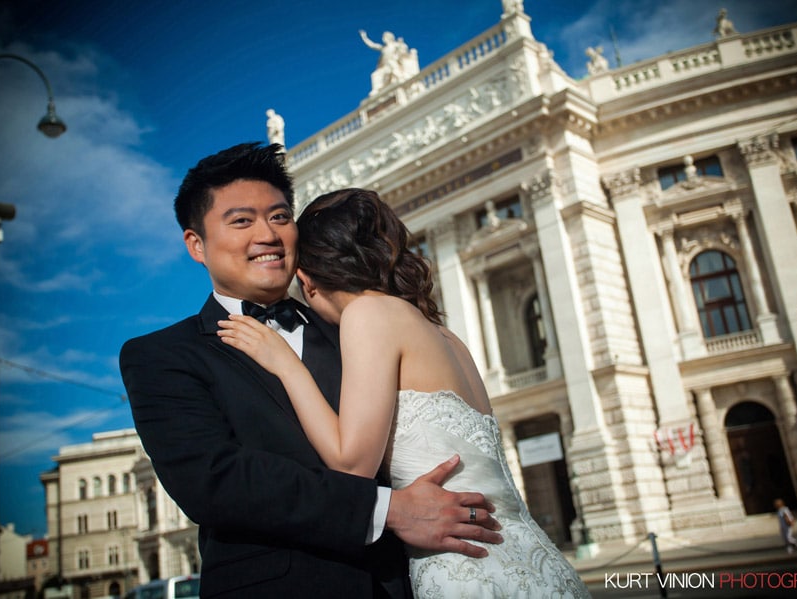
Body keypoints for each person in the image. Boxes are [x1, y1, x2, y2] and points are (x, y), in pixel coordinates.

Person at [120, 143, 502, 598]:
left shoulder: (361, 327)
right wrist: (388, 511)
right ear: (196, 245)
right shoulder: (161, 356)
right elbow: (216, 481)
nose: (267, 234)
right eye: (242, 221)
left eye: (280, 217)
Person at [218, 188, 592, 597]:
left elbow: (352, 465)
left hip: (463, 565)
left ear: (306, 280)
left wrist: (286, 365)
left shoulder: (368, 313)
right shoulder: (446, 336)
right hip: (532, 558)